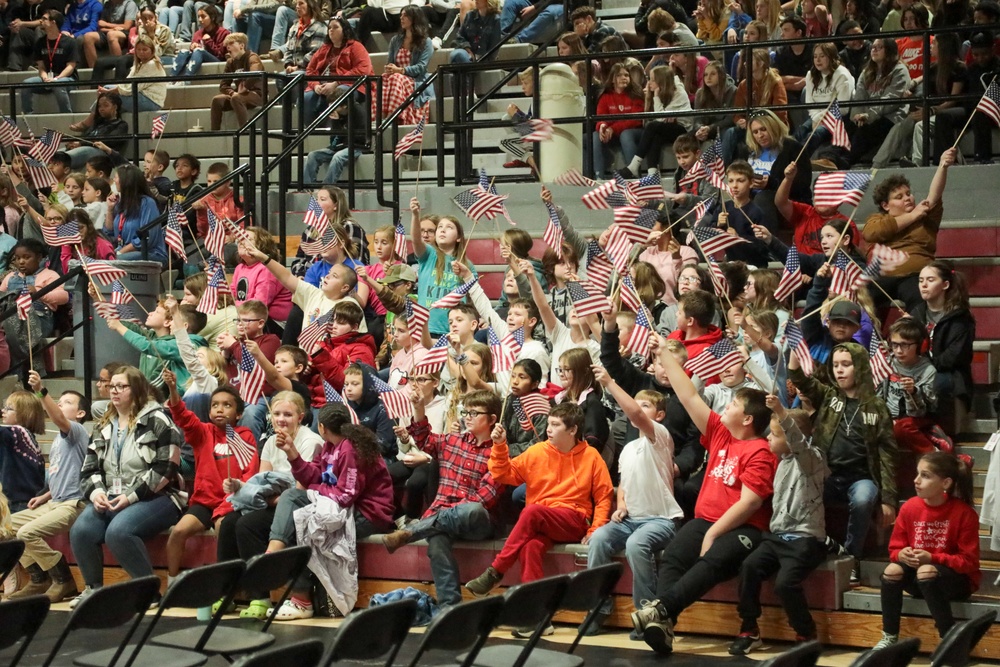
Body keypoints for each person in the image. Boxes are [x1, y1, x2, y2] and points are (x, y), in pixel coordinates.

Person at [630, 336, 775, 655]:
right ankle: (663, 625)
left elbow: (750, 503)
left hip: (744, 529)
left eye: (734, 404)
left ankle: (659, 611)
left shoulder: (760, 451)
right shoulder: (722, 433)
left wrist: (714, 531)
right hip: (706, 520)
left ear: (748, 419)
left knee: (708, 562)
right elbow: (688, 394)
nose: (727, 405)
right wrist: (665, 354)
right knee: (673, 557)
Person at [465, 402, 613, 636]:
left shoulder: (591, 456)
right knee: (530, 548)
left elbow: (604, 497)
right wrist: (500, 445)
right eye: (549, 424)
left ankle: (496, 570)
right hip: (541, 521)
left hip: (573, 519)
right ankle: (537, 618)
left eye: (555, 425)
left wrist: (595, 529)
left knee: (532, 511)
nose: (549, 429)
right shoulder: (537, 451)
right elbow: (503, 474)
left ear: (573, 430)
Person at [69, 365, 184, 608]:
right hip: (112, 494)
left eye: (121, 386)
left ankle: (149, 592)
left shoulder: (158, 419)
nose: (114, 391)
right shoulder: (103, 424)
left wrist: (131, 497)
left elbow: (166, 468)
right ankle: (93, 590)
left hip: (159, 496)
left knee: (118, 532)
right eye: (112, 386)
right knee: (81, 530)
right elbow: (89, 469)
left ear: (137, 389)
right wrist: (98, 492)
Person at [266, 403, 394, 620]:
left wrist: (316, 490)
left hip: (368, 514)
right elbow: (313, 476)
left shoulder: (351, 450)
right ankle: (274, 550)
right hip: (340, 507)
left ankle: (301, 599)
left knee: (307, 525)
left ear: (322, 427)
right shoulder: (329, 447)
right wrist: (291, 452)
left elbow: (345, 495)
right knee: (291, 499)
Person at [380, 390, 503, 608]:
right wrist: (418, 409)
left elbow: (487, 498)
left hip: (475, 521)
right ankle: (450, 608)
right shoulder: (451, 441)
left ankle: (412, 532)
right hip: (442, 516)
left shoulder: (498, 453)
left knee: (472, 510)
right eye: (466, 411)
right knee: (436, 545)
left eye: (475, 413)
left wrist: (449, 512)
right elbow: (423, 437)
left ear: (492, 419)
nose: (468, 416)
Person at [585, 368, 683, 636]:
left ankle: (647, 616)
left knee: (636, 544)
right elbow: (624, 485)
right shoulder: (628, 449)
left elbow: (636, 416)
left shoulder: (660, 436)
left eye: (645, 405)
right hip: (630, 519)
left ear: (659, 415)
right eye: (637, 403)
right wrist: (622, 506)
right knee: (598, 539)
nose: (637, 409)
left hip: (661, 520)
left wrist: (609, 382)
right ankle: (598, 609)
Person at [788, 342, 897, 583]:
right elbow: (799, 379)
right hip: (826, 474)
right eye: (836, 365)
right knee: (803, 493)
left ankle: (851, 556)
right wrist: (795, 349)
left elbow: (888, 454)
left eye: (846, 365)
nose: (839, 370)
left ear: (859, 367)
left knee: (862, 499)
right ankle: (809, 549)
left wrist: (889, 499)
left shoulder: (877, 407)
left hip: (861, 478)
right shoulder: (828, 395)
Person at [730, 398, 829, 654]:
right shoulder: (782, 462)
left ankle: (805, 633)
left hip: (804, 540)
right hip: (777, 537)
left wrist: (780, 412)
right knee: (749, 567)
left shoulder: (812, 459)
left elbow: (798, 443)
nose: (768, 439)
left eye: (774, 434)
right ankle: (749, 629)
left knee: (785, 585)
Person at [215, 391, 322, 619]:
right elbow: (260, 481)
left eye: (288, 414)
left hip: (298, 506)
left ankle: (259, 596)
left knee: (247, 524)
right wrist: (239, 485)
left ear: (300, 417)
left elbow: (302, 488)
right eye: (276, 414)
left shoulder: (310, 441)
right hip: (272, 501)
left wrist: (270, 498)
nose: (281, 419)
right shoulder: (271, 441)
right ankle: (226, 591)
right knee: (228, 524)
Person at [874, 451, 980, 649]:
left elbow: (969, 562)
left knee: (926, 571)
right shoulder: (909, 508)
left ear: (946, 484)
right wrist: (902, 554)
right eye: (917, 474)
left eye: (925, 475)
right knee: (892, 570)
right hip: (920, 579)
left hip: (954, 582)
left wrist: (932, 558)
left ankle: (949, 640)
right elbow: (894, 550)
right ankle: (889, 637)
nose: (916, 481)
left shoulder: (964, 514)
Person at [163, 370, 257, 586]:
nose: (219, 409)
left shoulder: (245, 436)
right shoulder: (203, 432)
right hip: (204, 502)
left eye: (226, 405)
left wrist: (232, 496)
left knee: (223, 528)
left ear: (238, 413)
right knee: (178, 531)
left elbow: (250, 474)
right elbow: (182, 416)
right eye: (215, 405)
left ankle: (225, 585)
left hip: (229, 503)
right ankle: (172, 582)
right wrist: (172, 388)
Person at [7, 371, 87, 602]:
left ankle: (64, 580)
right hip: (54, 501)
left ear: (80, 414)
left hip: (73, 503)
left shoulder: (77, 431)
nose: (61, 405)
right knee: (5, 530)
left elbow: (60, 419)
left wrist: (41, 391)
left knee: (26, 532)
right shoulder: (59, 441)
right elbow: (68, 474)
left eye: (67, 403)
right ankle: (39, 579)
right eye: (59, 401)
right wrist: (46, 496)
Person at [861, 148, 957, 311]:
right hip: (882, 277)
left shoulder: (925, 216)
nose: (907, 198)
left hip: (915, 276)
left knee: (920, 298)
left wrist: (942, 166)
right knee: (861, 301)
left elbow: (934, 195)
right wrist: (913, 216)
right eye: (899, 197)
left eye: (908, 194)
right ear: (885, 206)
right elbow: (871, 233)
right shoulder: (878, 219)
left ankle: (918, 335)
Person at [911, 260, 976, 435]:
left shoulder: (960, 318)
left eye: (930, 280)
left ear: (945, 284)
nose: (923, 285)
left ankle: (942, 435)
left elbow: (952, 358)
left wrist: (923, 364)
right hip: (919, 370)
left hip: (951, 377)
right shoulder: (916, 313)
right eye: (920, 280)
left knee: (937, 381)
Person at [737, 109, 812, 226]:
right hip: (754, 202)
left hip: (787, 205)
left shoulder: (792, 147)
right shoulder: (747, 152)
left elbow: (802, 185)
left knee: (763, 197)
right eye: (755, 132)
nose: (760, 135)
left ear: (774, 127)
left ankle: (767, 242)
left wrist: (770, 184)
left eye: (763, 129)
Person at [844, 38, 910, 166]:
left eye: (879, 47)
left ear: (889, 50)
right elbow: (859, 97)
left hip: (891, 116)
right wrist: (856, 117)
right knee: (845, 125)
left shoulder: (899, 70)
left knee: (866, 131)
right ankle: (830, 159)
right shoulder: (867, 71)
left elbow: (890, 100)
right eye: (873, 47)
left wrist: (869, 115)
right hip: (867, 115)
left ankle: (844, 162)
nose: (874, 50)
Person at [620, 65, 692, 178]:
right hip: (667, 128)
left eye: (653, 80)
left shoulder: (679, 92)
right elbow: (660, 119)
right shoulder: (657, 91)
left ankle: (633, 166)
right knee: (655, 137)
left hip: (682, 128)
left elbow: (659, 119)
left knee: (652, 126)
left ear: (661, 81)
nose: (649, 83)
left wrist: (656, 96)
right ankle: (652, 174)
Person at [375, 6, 434, 126]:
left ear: (414, 19)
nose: (401, 18)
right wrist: (390, 68)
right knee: (384, 77)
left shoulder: (426, 42)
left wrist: (401, 70)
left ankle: (394, 116)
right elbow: (390, 62)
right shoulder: (395, 40)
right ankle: (380, 117)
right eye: (401, 15)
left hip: (416, 80)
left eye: (405, 15)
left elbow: (421, 67)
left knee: (396, 78)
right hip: (397, 79)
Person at [593, 62, 645, 179]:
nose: (624, 78)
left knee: (625, 134)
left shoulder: (636, 94)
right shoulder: (605, 96)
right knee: (595, 136)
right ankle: (598, 177)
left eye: (626, 75)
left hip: (634, 132)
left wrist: (613, 128)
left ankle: (634, 174)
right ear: (612, 79)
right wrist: (602, 126)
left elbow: (635, 120)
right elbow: (600, 117)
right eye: (619, 75)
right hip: (614, 134)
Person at [20, 10, 78, 115]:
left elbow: (70, 67)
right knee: (25, 84)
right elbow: (41, 66)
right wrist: (44, 77)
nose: (41, 21)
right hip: (48, 78)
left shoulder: (70, 42)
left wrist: (56, 78)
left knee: (57, 84)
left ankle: (66, 115)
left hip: (67, 79)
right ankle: (28, 115)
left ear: (53, 22)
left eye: (44, 19)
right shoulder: (40, 42)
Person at [0, 391, 46, 514]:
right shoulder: (22, 437)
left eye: (8, 409)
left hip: (20, 502)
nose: (3, 411)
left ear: (25, 414)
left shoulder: (19, 432)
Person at [210, 32, 264, 130]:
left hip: (257, 94)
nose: (228, 47)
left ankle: (244, 131)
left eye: (231, 44)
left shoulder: (252, 57)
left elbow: (255, 74)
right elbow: (223, 85)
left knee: (236, 98)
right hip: (239, 94)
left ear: (241, 46)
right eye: (227, 45)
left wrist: (245, 87)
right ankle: (215, 133)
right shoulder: (230, 62)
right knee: (217, 100)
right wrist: (232, 92)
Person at [170, 4, 228, 79]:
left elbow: (220, 55)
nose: (200, 20)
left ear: (212, 18)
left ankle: (187, 79)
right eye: (199, 17)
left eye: (203, 16)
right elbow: (193, 52)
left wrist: (208, 41)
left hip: (216, 60)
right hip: (199, 59)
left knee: (199, 51)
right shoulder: (198, 33)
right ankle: (171, 78)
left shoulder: (223, 33)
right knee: (183, 52)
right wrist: (192, 47)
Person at [448, 0, 501, 64]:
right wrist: (468, 49)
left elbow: (494, 46)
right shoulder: (470, 15)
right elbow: (460, 36)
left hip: (484, 59)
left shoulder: (495, 20)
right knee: (457, 54)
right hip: (469, 55)